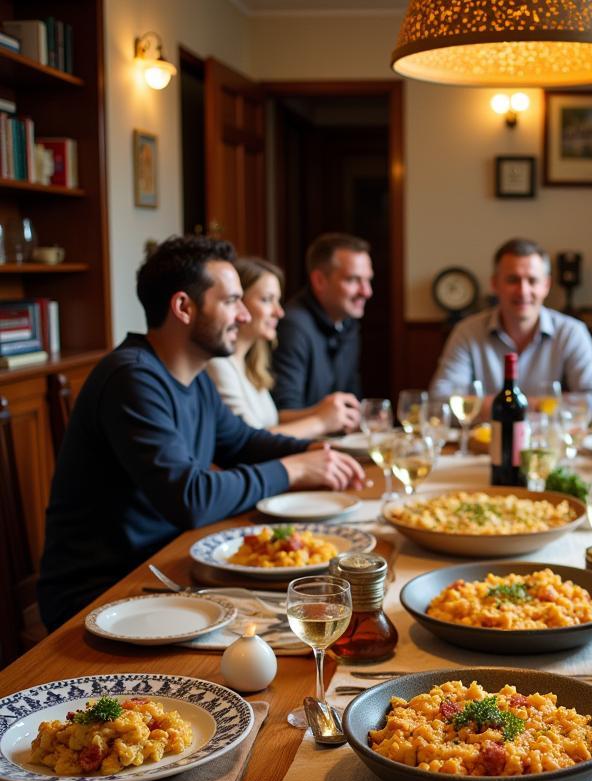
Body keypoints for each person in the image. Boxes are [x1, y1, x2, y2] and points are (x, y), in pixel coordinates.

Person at [37, 235, 364, 630]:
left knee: (317, 616)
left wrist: (317, 451)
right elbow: (190, 498)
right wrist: (294, 469)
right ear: (183, 307)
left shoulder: (193, 378)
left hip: (167, 573)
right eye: (230, 302)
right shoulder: (132, 379)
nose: (243, 316)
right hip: (104, 594)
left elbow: (242, 442)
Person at [429, 238, 592, 423]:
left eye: (532, 280)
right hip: (483, 449)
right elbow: (438, 404)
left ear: (546, 285)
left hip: (549, 450)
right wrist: (546, 405)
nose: (523, 291)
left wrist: (509, 406)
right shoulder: (467, 332)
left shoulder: (571, 332)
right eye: (513, 280)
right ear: (495, 284)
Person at [206, 256, 361, 436]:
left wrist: (324, 410)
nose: (279, 312)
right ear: (237, 303)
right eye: (266, 299)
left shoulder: (250, 365)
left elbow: (273, 423)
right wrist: (321, 421)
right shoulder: (218, 364)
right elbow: (248, 442)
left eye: (277, 300)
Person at [272, 233, 373, 413]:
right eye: (353, 280)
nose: (366, 292)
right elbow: (286, 409)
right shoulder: (293, 326)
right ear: (319, 281)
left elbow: (352, 397)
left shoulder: (348, 324)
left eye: (367, 280)